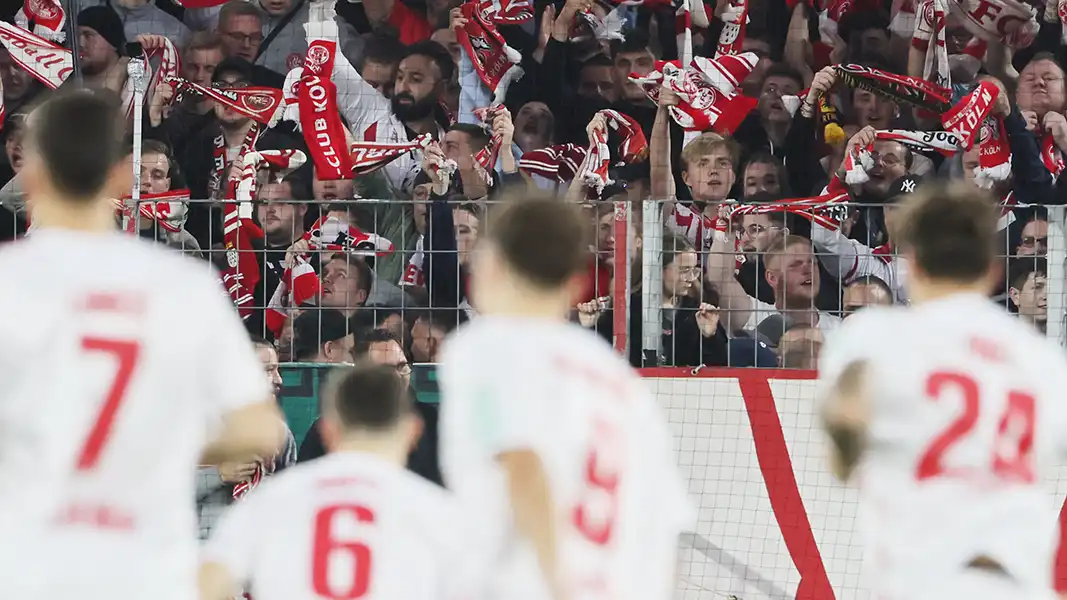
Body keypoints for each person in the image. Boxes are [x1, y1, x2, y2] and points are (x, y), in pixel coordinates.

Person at [0, 90, 286, 600]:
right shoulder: (183, 283)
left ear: (34, 175)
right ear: (118, 178)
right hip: (145, 565)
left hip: (31, 564)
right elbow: (259, 428)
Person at [817, 182, 1067, 600]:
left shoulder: (873, 337)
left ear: (911, 263)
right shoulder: (1039, 359)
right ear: (992, 268)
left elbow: (844, 432)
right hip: (1016, 580)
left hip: (922, 574)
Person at [438, 197, 692, 600]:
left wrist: (561, 586)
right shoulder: (613, 374)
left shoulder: (486, 347)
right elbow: (663, 519)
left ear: (491, 265)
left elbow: (522, 464)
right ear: (573, 282)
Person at [199, 361, 472, 600]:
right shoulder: (437, 510)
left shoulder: (275, 498)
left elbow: (205, 584)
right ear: (413, 432)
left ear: (327, 430)